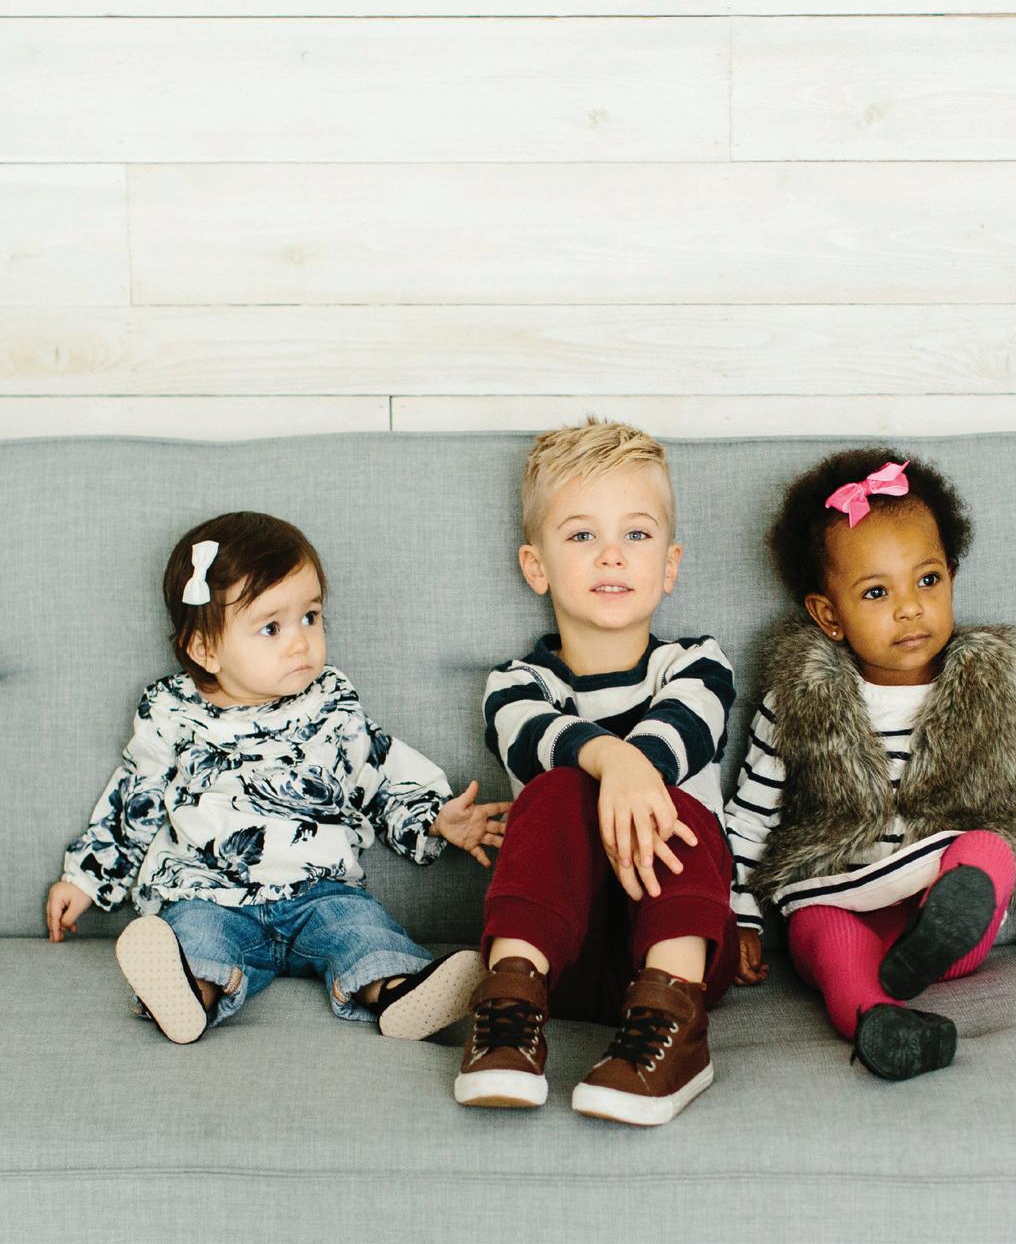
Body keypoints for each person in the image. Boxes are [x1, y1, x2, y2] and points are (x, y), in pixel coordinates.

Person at [45, 511, 508, 1045]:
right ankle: (189, 994)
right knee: (193, 937)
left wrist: (436, 819)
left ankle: (398, 990)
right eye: (271, 628)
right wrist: (86, 880)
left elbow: (380, 774)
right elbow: (135, 803)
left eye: (310, 617)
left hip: (321, 893)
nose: (300, 643)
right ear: (205, 649)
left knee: (363, 931)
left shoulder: (331, 705)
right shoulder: (172, 714)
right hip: (209, 894)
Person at [727, 449, 1016, 1080]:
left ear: (952, 577)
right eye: (877, 592)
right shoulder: (797, 700)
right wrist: (738, 916)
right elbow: (750, 817)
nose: (909, 608)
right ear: (829, 616)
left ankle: (930, 946)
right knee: (825, 936)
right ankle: (882, 1022)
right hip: (838, 894)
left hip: (940, 895)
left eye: (927, 581)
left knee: (989, 848)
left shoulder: (996, 690)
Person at [454, 419, 738, 1125]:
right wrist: (607, 756)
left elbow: (689, 726)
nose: (612, 553)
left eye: (636, 534)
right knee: (556, 790)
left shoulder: (697, 664)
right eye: (582, 535)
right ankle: (508, 1013)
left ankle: (673, 1035)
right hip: (562, 957)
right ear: (537, 567)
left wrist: (635, 766)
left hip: (682, 950)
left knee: (676, 805)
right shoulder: (517, 683)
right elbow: (529, 736)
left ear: (669, 565)